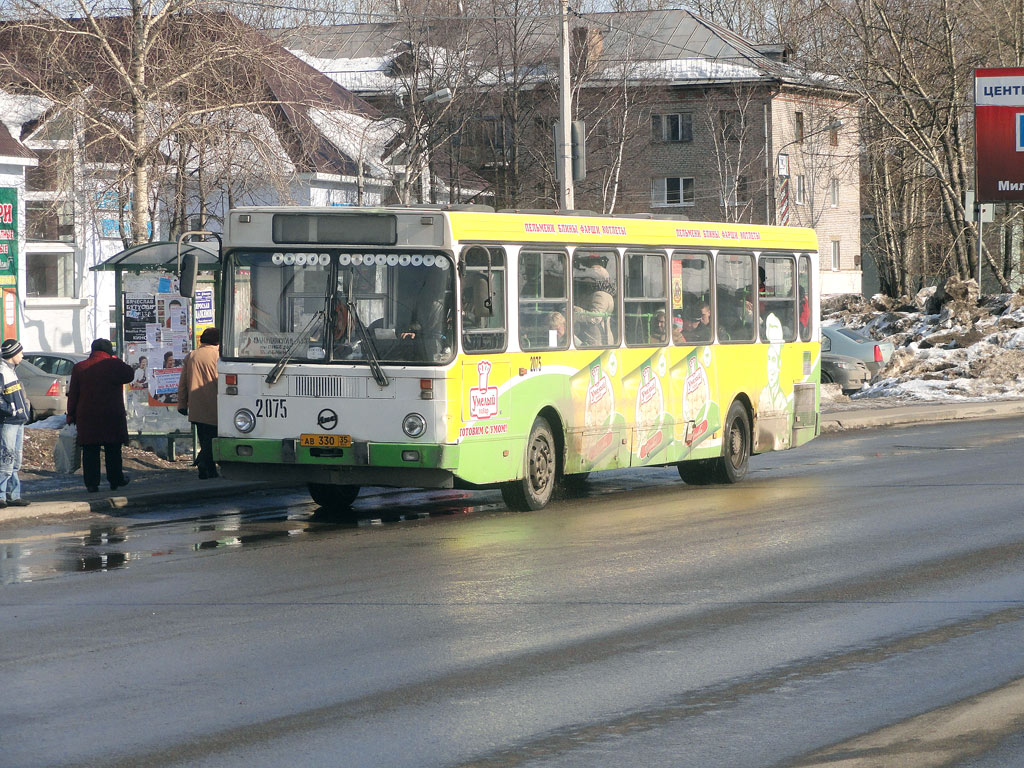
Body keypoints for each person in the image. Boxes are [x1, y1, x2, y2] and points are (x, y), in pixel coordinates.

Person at [67, 339, 134, 493]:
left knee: (90, 450)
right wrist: (115, 359)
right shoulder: (114, 365)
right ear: (109, 351)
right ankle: (115, 480)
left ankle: (92, 483)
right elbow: (129, 374)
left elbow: (74, 393)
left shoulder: (80, 367)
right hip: (111, 414)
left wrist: (71, 415)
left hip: (87, 415)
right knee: (113, 449)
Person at [178, 327, 220, 479]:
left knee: (204, 438)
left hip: (196, 406)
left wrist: (181, 404)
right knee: (213, 438)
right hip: (215, 404)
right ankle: (203, 462)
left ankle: (209, 471)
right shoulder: (218, 356)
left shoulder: (192, 355)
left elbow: (183, 382)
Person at [0, 339, 31, 508]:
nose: (22, 355)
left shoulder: (12, 370)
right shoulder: (2, 371)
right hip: (8, 421)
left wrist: (25, 408)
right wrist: (10, 410)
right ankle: (1, 495)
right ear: (12, 354)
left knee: (15, 459)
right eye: (20, 352)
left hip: (18, 420)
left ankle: (13, 495)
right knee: (6, 457)